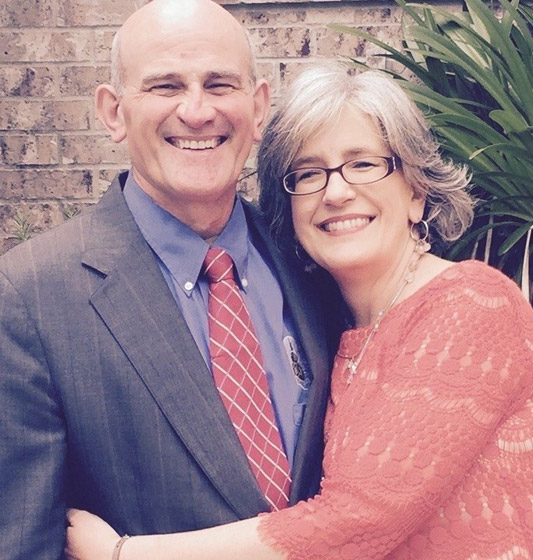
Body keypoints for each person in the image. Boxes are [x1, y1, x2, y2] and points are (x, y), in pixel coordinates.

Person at [66, 63, 533, 559]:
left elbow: (358, 520)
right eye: (308, 173)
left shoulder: (472, 305)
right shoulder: (324, 327)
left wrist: (121, 554)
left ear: (416, 191)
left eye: (362, 164)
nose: (336, 192)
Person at [0, 1, 334, 558]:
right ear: (114, 113)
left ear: (257, 109)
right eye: (165, 86)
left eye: (219, 84)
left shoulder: (312, 262)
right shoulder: (29, 299)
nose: (197, 111)